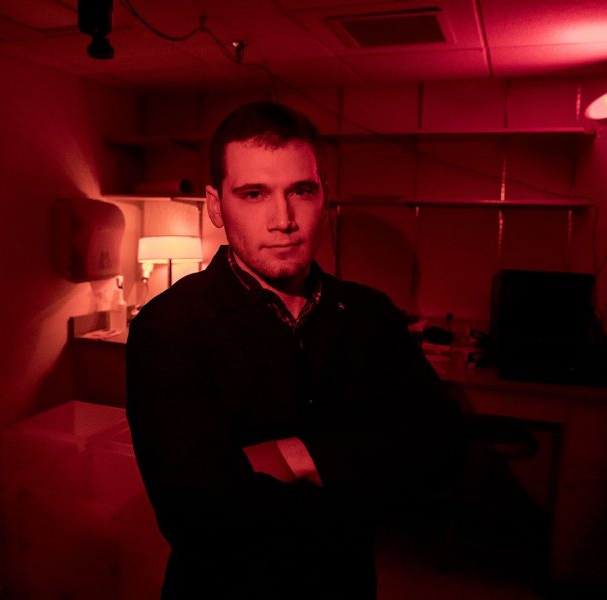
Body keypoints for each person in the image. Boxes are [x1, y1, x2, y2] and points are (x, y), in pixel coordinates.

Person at [126, 100, 465, 599]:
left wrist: (294, 455)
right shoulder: (169, 326)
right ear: (217, 206)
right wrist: (361, 468)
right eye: (254, 194)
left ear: (323, 196)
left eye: (300, 191)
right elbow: (195, 515)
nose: (282, 219)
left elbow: (443, 451)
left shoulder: (370, 315)